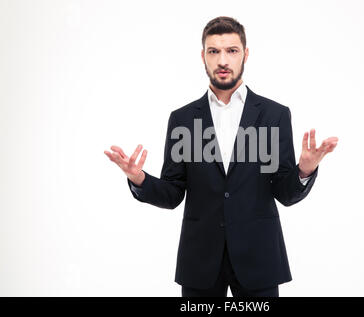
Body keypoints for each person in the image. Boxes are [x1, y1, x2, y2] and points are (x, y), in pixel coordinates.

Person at [104, 16, 338, 297]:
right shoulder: (183, 119)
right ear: (203, 56)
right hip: (200, 261)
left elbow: (285, 193)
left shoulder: (274, 115)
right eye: (214, 51)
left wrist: (304, 170)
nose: (222, 60)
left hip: (259, 258)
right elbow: (173, 193)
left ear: (245, 54)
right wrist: (139, 178)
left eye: (232, 50)